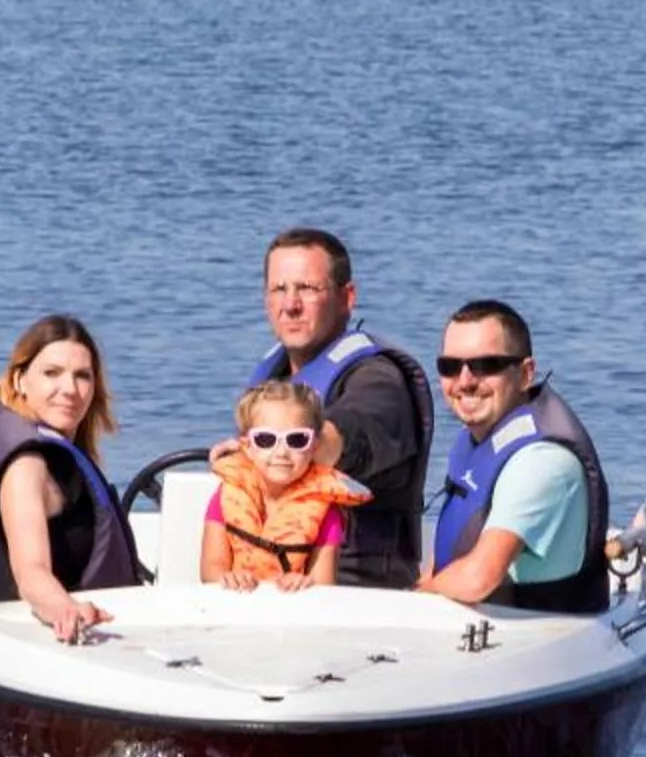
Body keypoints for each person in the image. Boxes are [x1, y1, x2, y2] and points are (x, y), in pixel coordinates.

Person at [245, 228, 433, 590]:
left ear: (347, 297)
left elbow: (354, 432)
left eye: (308, 289)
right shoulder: (274, 375)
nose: (291, 304)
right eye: (279, 289)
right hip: (271, 579)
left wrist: (293, 444)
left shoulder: (379, 381)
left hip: (354, 590)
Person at [0, 314, 143, 641]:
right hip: (65, 628)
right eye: (52, 373)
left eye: (82, 376)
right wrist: (64, 610)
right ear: (20, 380)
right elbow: (31, 570)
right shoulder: (28, 465)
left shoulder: (19, 434)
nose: (69, 389)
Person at [417, 299, 611, 614]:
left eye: (485, 365)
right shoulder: (477, 441)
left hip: (541, 631)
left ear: (525, 374)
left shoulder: (541, 462)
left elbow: (479, 577)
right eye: (450, 366)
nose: (464, 381)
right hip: (470, 620)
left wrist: (412, 599)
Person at [202, 380, 373, 592]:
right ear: (247, 446)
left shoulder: (325, 510)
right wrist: (228, 577)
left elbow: (324, 582)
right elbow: (210, 568)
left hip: (293, 616)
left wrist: (305, 583)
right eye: (265, 439)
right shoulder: (226, 495)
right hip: (234, 608)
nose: (281, 452)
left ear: (314, 446)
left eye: (297, 440)